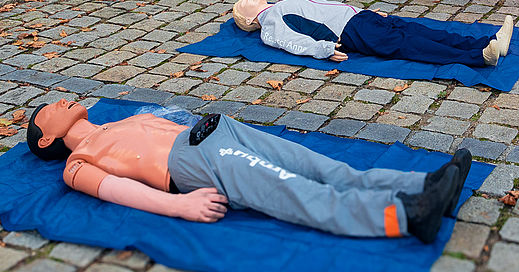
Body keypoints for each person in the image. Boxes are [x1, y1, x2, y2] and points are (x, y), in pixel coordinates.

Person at [27, 98, 472, 244]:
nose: (60, 102)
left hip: (216, 129)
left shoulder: (114, 120)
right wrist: (179, 206)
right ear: (46, 139)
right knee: (293, 190)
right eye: (46, 112)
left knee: (322, 166)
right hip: (193, 163)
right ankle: (406, 215)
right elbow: (113, 191)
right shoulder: (76, 163)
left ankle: (424, 184)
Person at [232, 0, 514, 67]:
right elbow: (291, 42)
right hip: (351, 33)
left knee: (419, 30)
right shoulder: (270, 25)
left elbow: (327, 6)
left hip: (358, 18)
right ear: (248, 21)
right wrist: (324, 49)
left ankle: (488, 41)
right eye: (243, 3)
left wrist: (360, 10)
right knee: (411, 44)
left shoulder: (281, 4)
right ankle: (479, 57)